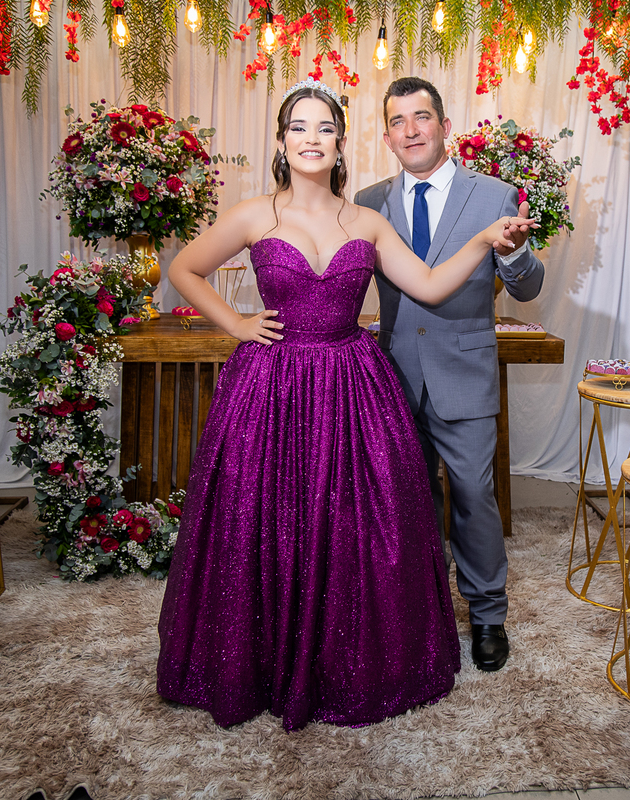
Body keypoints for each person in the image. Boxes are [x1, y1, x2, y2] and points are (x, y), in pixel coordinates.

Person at [155, 79, 535, 731]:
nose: (312, 139)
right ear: (282, 142)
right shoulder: (254, 213)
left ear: (341, 142)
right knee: (265, 517)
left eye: (325, 128)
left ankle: (346, 655)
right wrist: (238, 323)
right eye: (299, 127)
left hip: (350, 381)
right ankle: (265, 656)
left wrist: (480, 242)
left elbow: (430, 285)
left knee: (354, 520)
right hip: (271, 388)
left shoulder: (365, 219)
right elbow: (184, 269)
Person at [354, 78, 544, 672]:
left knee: (473, 495)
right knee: (404, 500)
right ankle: (419, 608)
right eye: (398, 121)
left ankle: (487, 616)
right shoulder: (366, 201)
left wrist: (513, 253)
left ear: (444, 125)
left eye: (422, 117)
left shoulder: (493, 195)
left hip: (464, 372)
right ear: (387, 136)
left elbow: (527, 288)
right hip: (390, 376)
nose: (411, 130)